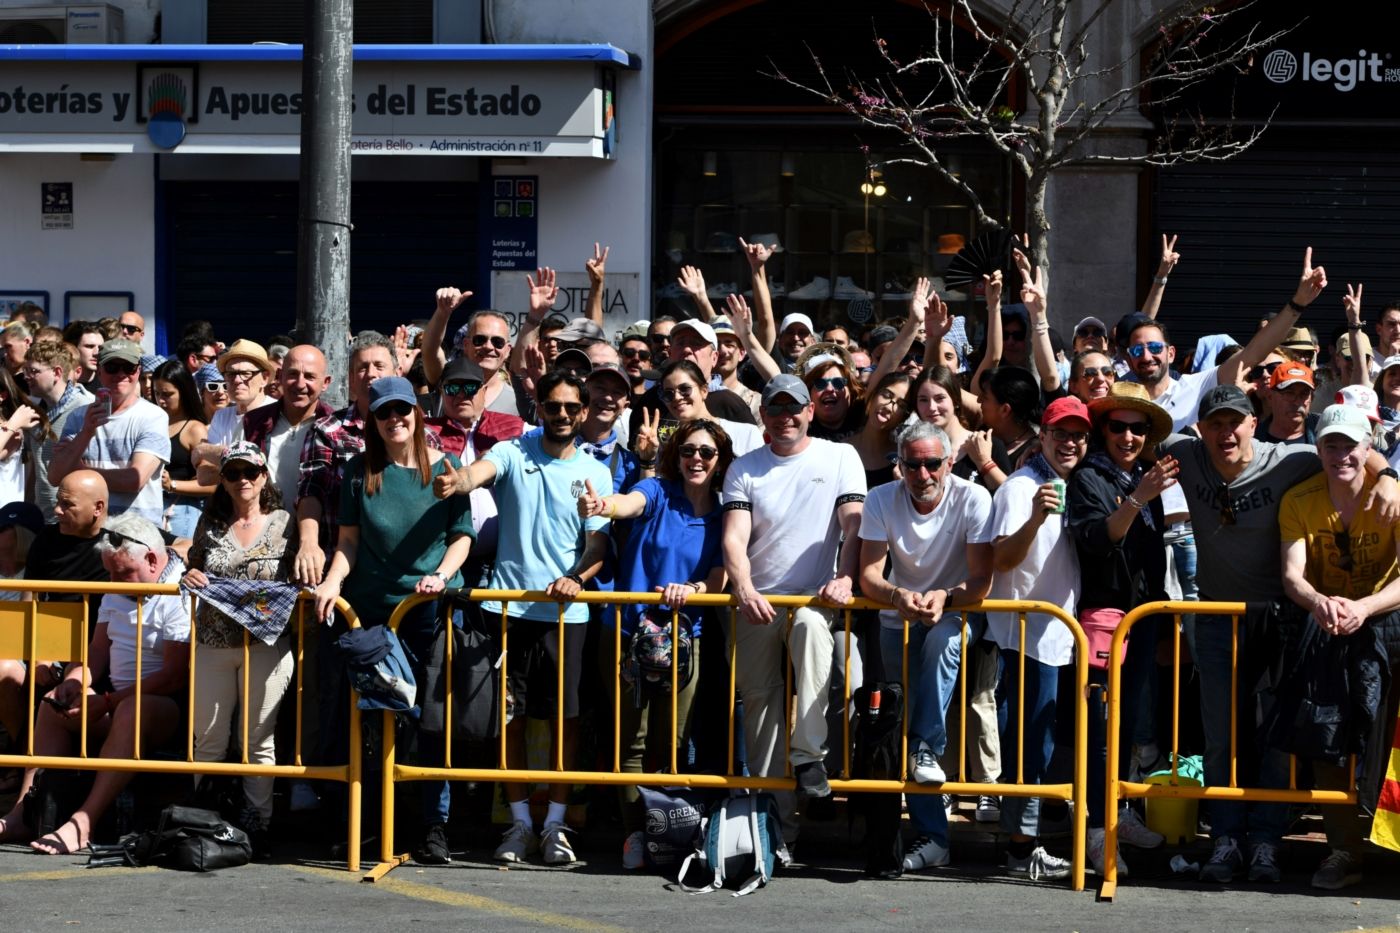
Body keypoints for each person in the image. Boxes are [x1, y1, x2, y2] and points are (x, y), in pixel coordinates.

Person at [1157, 382, 1400, 884]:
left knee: (1279, 738)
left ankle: (1266, 841)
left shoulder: (1290, 459)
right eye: (1215, 423)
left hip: (1287, 621)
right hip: (1228, 618)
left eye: (1235, 422)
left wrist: (1391, 477)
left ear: (1253, 422)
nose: (1225, 433)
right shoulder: (1184, 451)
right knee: (1223, 736)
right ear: (1200, 429)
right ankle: (1227, 839)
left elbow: (1355, 451)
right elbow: (1133, 429)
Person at [432, 370, 613, 866]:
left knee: (565, 725)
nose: (560, 414)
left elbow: (597, 545)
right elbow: (479, 472)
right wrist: (457, 480)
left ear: (583, 412)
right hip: (506, 610)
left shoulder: (597, 472)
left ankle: (555, 825)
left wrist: (576, 577)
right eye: (552, 406)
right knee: (507, 721)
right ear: (539, 409)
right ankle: (519, 823)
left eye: (570, 407)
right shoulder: (516, 450)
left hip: (565, 615)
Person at [313, 376, 473, 865]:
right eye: (385, 413)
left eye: (403, 410)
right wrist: (331, 581)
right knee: (369, 721)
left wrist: (442, 577)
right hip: (370, 616)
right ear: (373, 421)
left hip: (425, 612)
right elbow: (348, 544)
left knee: (427, 721)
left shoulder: (444, 467)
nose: (395, 420)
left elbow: (461, 536)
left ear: (417, 413)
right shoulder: (359, 472)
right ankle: (367, 824)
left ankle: (431, 827)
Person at [576, 420, 732, 868]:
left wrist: (698, 590)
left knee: (674, 741)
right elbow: (628, 504)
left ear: (720, 460)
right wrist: (603, 504)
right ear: (676, 455)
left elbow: (721, 571)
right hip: (629, 632)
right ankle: (636, 833)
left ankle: (669, 830)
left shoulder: (724, 511)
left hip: (687, 637)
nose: (696, 459)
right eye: (688, 450)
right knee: (634, 741)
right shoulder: (659, 491)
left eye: (706, 452)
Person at [720, 373, 866, 843]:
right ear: (762, 416)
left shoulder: (841, 455)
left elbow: (853, 523)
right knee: (761, 710)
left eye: (793, 407)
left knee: (812, 632)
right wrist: (743, 587)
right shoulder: (743, 467)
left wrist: (845, 576)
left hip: (814, 601)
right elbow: (734, 537)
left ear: (809, 412)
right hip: (758, 602)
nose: (785, 417)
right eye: (775, 408)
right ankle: (774, 831)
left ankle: (808, 754)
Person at [0, 513, 189, 853]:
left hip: (165, 710)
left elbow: (173, 676)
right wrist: (74, 681)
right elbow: (97, 652)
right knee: (52, 703)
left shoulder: (180, 591)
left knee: (132, 708)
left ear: (151, 559)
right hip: (114, 702)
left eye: (122, 573)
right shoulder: (117, 589)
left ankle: (83, 821)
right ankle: (23, 811)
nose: (113, 581)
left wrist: (108, 701)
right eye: (110, 572)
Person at [857, 420, 993, 872]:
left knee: (924, 734)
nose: (922, 474)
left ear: (949, 463)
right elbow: (870, 576)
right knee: (900, 727)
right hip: (897, 619)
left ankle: (929, 766)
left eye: (932, 463)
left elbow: (981, 581)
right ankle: (934, 836)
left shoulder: (973, 497)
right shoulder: (880, 498)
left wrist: (945, 597)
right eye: (912, 464)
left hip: (956, 613)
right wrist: (898, 596)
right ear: (900, 465)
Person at [1278, 404, 1400, 890]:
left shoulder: (1391, 496)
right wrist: (1319, 602)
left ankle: (1385, 846)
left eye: (1350, 445)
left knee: (1390, 742)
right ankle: (1342, 850)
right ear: (1318, 448)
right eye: (1331, 444)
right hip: (1326, 631)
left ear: (1369, 449)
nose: (1341, 454)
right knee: (1327, 739)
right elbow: (1292, 574)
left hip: (1387, 628)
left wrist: (1366, 607)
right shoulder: (1299, 500)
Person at [1066, 382, 1176, 875]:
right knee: (1099, 729)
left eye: (1138, 429)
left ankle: (1117, 813)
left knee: (1127, 726)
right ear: (1103, 430)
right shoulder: (1090, 476)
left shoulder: (1145, 476)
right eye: (1118, 427)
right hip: (1103, 619)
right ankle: (1094, 830)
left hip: (1143, 617)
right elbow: (1097, 539)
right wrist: (1139, 496)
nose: (1128, 437)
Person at [987, 396, 1092, 882]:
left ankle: (1020, 844)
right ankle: (1018, 849)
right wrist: (1033, 518)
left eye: (1078, 435)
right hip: (1022, 636)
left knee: (1041, 744)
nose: (1070, 442)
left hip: (1056, 635)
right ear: (1042, 437)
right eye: (1061, 433)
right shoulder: (1019, 488)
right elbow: (1001, 560)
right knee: (1030, 745)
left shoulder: (1075, 484)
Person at [180, 443, 297, 859]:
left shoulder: (286, 523)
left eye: (251, 471)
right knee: (208, 738)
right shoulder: (209, 523)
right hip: (213, 642)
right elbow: (191, 564)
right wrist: (191, 572)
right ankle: (202, 821)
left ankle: (257, 825)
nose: (243, 479)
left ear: (264, 476)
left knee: (257, 740)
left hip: (266, 645)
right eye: (233, 473)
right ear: (224, 481)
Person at [50, 338, 170, 525]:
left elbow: (134, 480)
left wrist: (80, 470)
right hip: (87, 529)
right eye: (112, 367)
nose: (121, 374)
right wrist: (87, 432)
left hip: (135, 531)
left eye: (128, 367)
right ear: (99, 372)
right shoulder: (79, 417)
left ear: (138, 371)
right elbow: (56, 476)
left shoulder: (154, 417)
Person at [237, 345, 335, 514]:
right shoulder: (253, 422)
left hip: (319, 534)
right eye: (293, 374)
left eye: (310, 376)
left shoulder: (335, 428)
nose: (300, 384)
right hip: (263, 531)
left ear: (325, 383)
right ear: (280, 376)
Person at [649, 360, 764, 457]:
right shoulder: (668, 445)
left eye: (685, 389)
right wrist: (647, 460)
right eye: (668, 394)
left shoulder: (746, 434)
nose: (677, 397)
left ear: (704, 391)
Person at [151, 360, 213, 538]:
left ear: (184, 393)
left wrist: (172, 485)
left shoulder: (194, 430)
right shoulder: (152, 422)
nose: (160, 400)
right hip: (152, 509)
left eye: (167, 394)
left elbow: (211, 483)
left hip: (182, 513)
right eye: (156, 393)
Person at [845, 372, 911, 489]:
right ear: (873, 395)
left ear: (904, 417)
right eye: (886, 395)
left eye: (901, 405)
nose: (889, 407)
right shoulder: (839, 449)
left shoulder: (903, 461)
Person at [0, 366, 42, 506]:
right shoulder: (12, 425)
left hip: (5, 515)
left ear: (2, 396)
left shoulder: (13, 431)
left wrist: (13, 425)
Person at [1258, 361, 1319, 445]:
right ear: (1270, 397)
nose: (1297, 402)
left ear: (1312, 398)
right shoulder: (1251, 438)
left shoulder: (1324, 430)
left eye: (1304, 394)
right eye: (1289, 393)